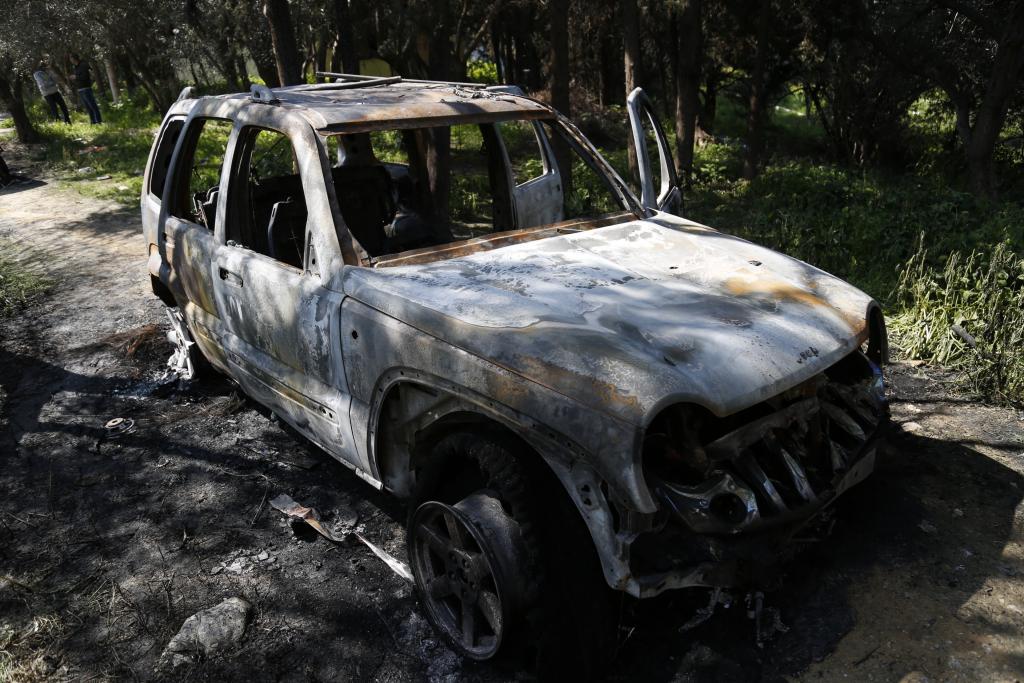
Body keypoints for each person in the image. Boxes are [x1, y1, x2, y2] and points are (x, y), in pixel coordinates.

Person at [70, 53, 102, 124]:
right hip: (80, 89)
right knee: (88, 107)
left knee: (92, 105)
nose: (70, 60)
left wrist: (75, 77)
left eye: (71, 59)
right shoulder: (76, 67)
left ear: (74, 58)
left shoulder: (83, 65)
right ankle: (93, 122)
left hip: (86, 88)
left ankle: (99, 121)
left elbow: (85, 77)